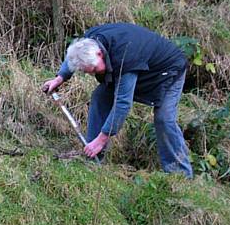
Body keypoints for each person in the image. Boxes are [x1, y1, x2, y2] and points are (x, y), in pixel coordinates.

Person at [42, 22, 193, 178]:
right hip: (140, 66)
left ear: (100, 54)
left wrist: (102, 139)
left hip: (168, 70)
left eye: (94, 70)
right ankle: (93, 159)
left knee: (164, 119)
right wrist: (60, 78)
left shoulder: (125, 57)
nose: (93, 74)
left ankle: (181, 175)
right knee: (100, 97)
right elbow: (75, 57)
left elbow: (122, 103)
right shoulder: (88, 42)